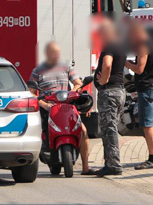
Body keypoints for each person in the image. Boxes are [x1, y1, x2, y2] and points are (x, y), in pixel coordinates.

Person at [29, 41, 93, 175]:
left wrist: (74, 91)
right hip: (48, 108)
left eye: (58, 53)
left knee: (84, 131)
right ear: (46, 54)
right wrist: (44, 105)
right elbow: (32, 93)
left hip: (66, 107)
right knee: (39, 133)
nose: (56, 55)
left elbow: (77, 82)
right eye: (53, 52)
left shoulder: (66, 68)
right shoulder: (37, 71)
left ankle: (86, 167)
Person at [125, 20, 153, 170]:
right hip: (152, 86)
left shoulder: (142, 45)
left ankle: (152, 159)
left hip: (146, 87)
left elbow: (139, 69)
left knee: (146, 125)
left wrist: (126, 64)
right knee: (150, 124)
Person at [93, 17, 126, 177]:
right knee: (110, 127)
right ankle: (110, 162)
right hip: (119, 91)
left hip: (109, 92)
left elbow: (107, 64)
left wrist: (103, 80)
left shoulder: (110, 46)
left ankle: (113, 164)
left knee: (109, 129)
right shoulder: (121, 45)